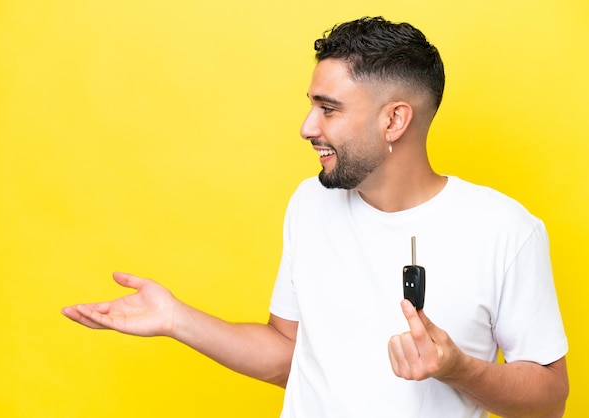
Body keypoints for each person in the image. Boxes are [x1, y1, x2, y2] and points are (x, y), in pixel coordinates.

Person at [62, 16, 569, 417]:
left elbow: (550, 400)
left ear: (394, 119)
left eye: (328, 109)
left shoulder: (506, 231)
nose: (307, 127)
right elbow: (290, 355)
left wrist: (457, 368)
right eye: (311, 105)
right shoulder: (311, 203)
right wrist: (178, 319)